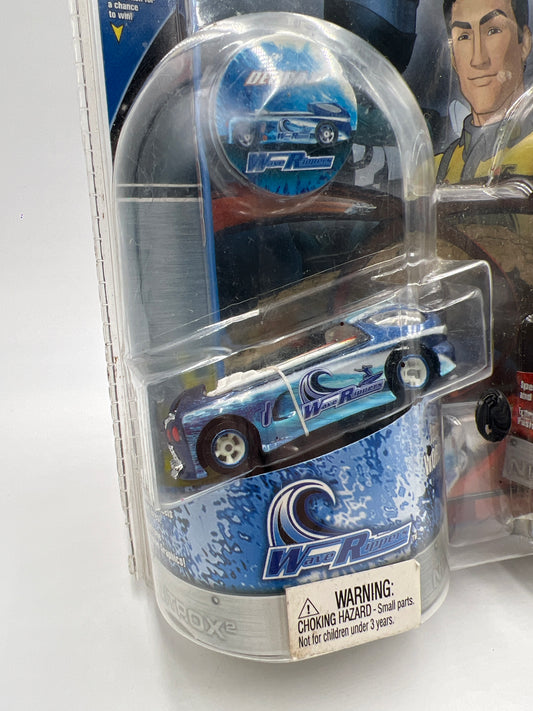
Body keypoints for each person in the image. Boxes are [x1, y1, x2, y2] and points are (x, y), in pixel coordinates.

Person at [436, 0, 533, 183]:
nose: (478, 59)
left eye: (493, 31)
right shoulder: (432, 171)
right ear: (453, 58)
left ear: (525, 43)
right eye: (464, 36)